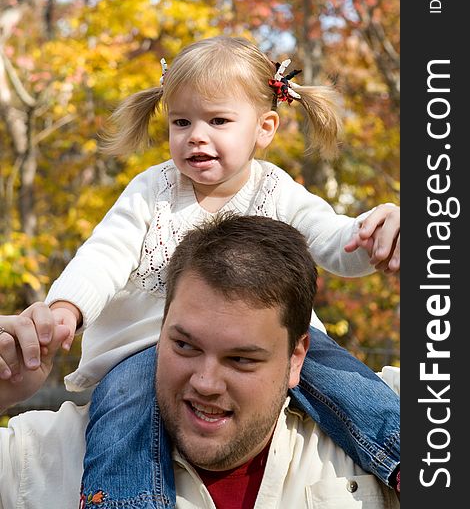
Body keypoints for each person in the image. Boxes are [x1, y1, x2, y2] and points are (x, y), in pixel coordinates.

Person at [0, 36, 400, 506]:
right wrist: (65, 309)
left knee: (344, 378)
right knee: (125, 407)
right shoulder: (153, 191)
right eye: (181, 121)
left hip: (278, 337)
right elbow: (103, 256)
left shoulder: (278, 190)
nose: (196, 136)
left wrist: (375, 236)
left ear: (264, 127)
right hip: (146, 346)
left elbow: (334, 240)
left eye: (218, 121)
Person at [0, 214, 399, 509]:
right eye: (185, 346)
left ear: (297, 357)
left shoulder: (372, 423)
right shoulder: (49, 455)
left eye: (241, 359)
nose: (206, 382)